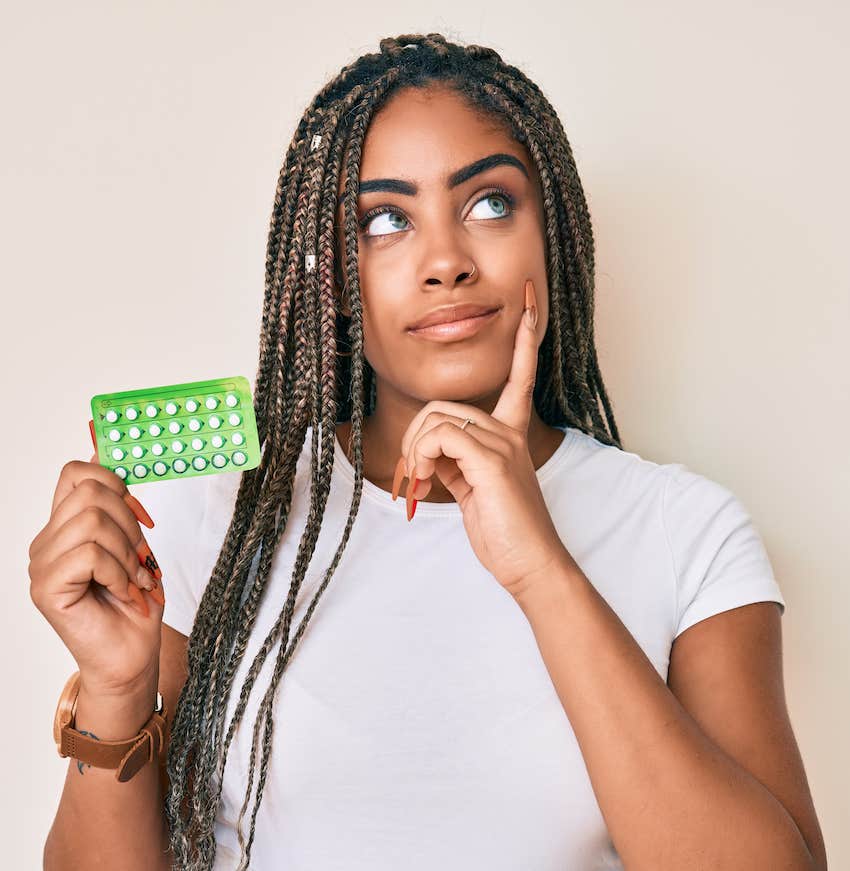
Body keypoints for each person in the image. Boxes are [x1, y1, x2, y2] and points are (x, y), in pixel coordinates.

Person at [29, 32, 827, 871]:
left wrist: (541, 572)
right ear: (333, 274)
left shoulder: (684, 530)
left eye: (489, 203)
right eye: (384, 221)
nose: (445, 261)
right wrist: (117, 692)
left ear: (550, 232)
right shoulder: (217, 519)